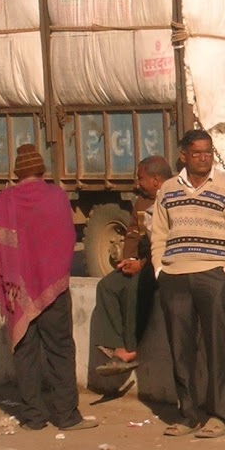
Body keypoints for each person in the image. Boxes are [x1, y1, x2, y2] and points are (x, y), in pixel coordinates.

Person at [150, 129, 225, 438]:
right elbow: (159, 233)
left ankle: (220, 416)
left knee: (217, 347)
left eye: (208, 152)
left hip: (213, 276)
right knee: (181, 349)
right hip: (174, 277)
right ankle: (188, 415)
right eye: (196, 153)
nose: (203, 158)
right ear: (183, 155)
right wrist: (159, 269)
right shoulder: (168, 189)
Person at [0, 143, 95, 433]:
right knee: (60, 349)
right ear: (42, 170)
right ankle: (67, 415)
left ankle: (33, 417)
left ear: (17, 172)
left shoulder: (3, 200)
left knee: (25, 350)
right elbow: (68, 239)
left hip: (17, 291)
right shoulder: (57, 196)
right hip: (53, 287)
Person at [92, 155, 173, 375]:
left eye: (141, 178)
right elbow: (133, 234)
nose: (137, 184)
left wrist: (143, 265)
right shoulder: (142, 202)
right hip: (143, 261)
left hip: (163, 264)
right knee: (107, 286)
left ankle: (129, 349)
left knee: (135, 288)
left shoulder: (174, 198)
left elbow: (170, 243)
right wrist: (128, 260)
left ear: (156, 180)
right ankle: (114, 344)